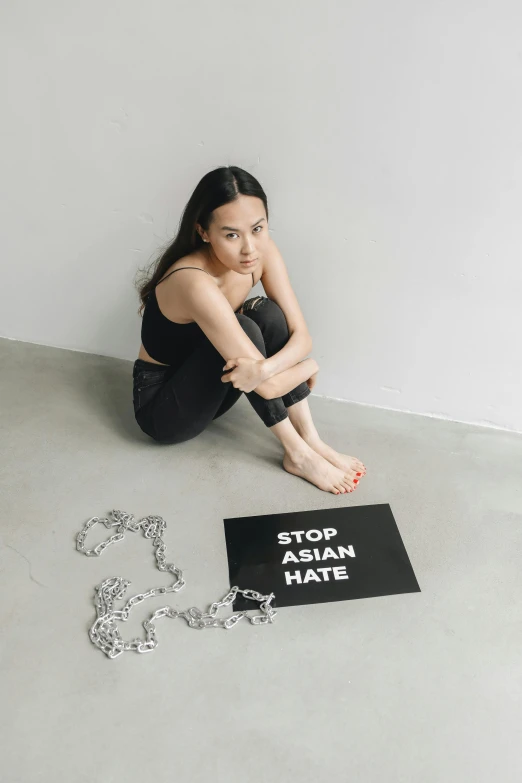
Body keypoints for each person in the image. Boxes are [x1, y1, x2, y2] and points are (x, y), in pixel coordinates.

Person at [133, 166, 366, 495]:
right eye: (231, 235)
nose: (249, 249)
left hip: (218, 383)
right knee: (246, 327)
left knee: (267, 314)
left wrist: (267, 368)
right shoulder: (193, 282)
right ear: (203, 232)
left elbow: (302, 336)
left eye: (257, 228)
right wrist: (308, 366)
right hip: (165, 408)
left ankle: (311, 440)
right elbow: (268, 387)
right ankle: (297, 455)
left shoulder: (262, 251)